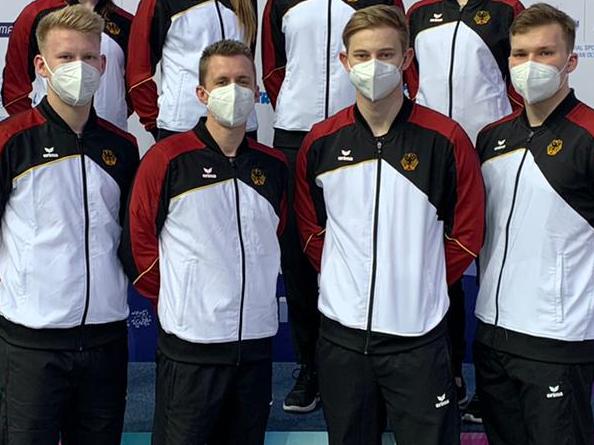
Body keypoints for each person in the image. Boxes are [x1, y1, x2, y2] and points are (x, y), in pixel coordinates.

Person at [295, 5, 485, 444]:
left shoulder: (446, 139)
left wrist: (420, 282)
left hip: (418, 339)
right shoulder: (320, 141)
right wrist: (347, 279)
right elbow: (310, 229)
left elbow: (468, 233)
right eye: (362, 56)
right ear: (344, 61)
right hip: (342, 337)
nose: (373, 66)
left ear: (406, 59)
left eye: (385, 54)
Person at [120, 39, 288, 445]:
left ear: (256, 90)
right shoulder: (167, 158)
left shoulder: (273, 166)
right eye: (222, 81)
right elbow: (137, 244)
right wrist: (182, 300)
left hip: (255, 345)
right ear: (202, 93)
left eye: (243, 81)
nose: (234, 90)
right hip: (191, 349)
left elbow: (276, 238)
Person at [0, 5, 139, 444]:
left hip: (105, 340)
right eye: (65, 57)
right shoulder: (12, 140)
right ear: (41, 66)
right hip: (31, 345)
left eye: (88, 56)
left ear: (103, 63)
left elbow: (130, 239)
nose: (79, 68)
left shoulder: (124, 148)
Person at [261, 0, 404, 413]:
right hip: (295, 132)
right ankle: (310, 366)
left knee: (372, 244)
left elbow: (396, 56)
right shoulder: (281, 3)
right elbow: (273, 67)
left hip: (363, 128)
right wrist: (300, 104)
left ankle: (378, 365)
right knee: (298, 256)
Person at [473, 4, 594, 444]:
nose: (530, 65)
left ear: (571, 61)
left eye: (545, 53)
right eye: (520, 54)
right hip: (492, 333)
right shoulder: (491, 137)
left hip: (558, 340)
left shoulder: (589, 135)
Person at [405, 0, 524, 416]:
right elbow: (414, 78)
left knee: (498, 265)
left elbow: (518, 81)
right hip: (433, 155)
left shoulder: (506, 8)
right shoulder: (420, 12)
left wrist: (506, 133)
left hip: (492, 152)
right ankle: (449, 373)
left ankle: (497, 383)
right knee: (440, 269)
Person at [127, 0, 258, 141]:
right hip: (185, 126)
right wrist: (154, 122)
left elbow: (247, 63)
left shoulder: (247, 2)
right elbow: (138, 73)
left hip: (242, 125)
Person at [1, 0, 133, 131]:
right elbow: (14, 88)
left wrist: (114, 116)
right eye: (65, 57)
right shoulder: (36, 13)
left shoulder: (126, 22)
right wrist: (32, 129)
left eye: (89, 57)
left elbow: (135, 87)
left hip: (110, 135)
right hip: (46, 134)